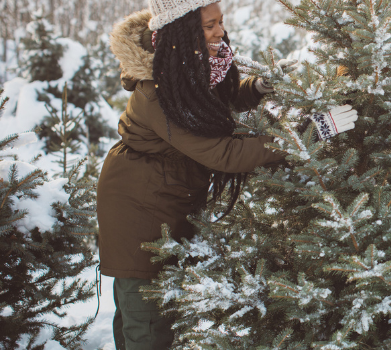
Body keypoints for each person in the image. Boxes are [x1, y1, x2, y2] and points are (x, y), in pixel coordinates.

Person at [98, 0, 358, 348]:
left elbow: (209, 100)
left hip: (167, 195)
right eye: (209, 25)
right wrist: (308, 132)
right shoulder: (154, 93)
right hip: (138, 207)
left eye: (220, 22)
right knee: (146, 316)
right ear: (182, 29)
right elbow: (222, 152)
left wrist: (256, 88)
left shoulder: (188, 65)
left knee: (144, 314)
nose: (220, 31)